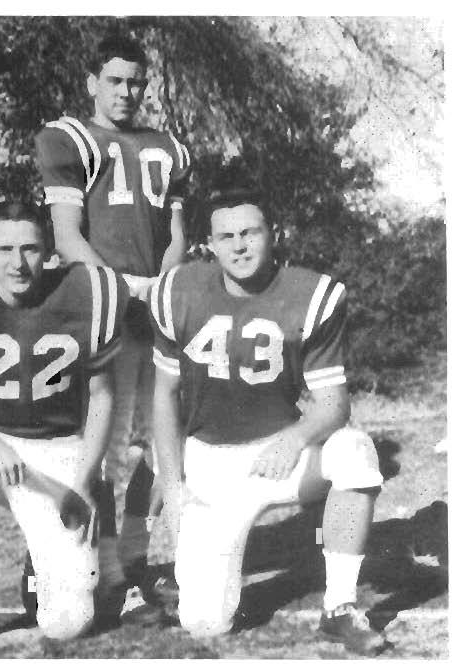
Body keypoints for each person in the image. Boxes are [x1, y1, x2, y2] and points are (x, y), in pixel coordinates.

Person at [150, 173, 387, 654]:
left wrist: (296, 437)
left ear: (274, 233)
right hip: (210, 462)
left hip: (279, 456)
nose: (239, 246)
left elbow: (334, 404)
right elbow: (164, 396)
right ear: (208, 244)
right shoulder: (178, 291)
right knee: (205, 623)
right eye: (226, 237)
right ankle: (201, 575)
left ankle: (339, 607)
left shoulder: (310, 294)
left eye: (250, 233)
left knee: (355, 452)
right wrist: (172, 485)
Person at [35, 33, 190, 603]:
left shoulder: (167, 147)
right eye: (115, 80)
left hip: (157, 302)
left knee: (160, 442)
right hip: (104, 303)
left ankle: (134, 558)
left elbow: (176, 236)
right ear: (92, 83)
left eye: (136, 81)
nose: (127, 91)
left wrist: (162, 289)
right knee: (105, 444)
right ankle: (106, 572)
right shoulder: (68, 138)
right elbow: (67, 236)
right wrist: (119, 293)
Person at [0, 200, 130, 640]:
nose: (17, 263)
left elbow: (103, 396)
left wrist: (84, 479)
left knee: (66, 624)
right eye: (5, 249)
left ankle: (45, 557)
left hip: (55, 453)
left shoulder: (86, 293)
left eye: (29, 249)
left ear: (48, 249)